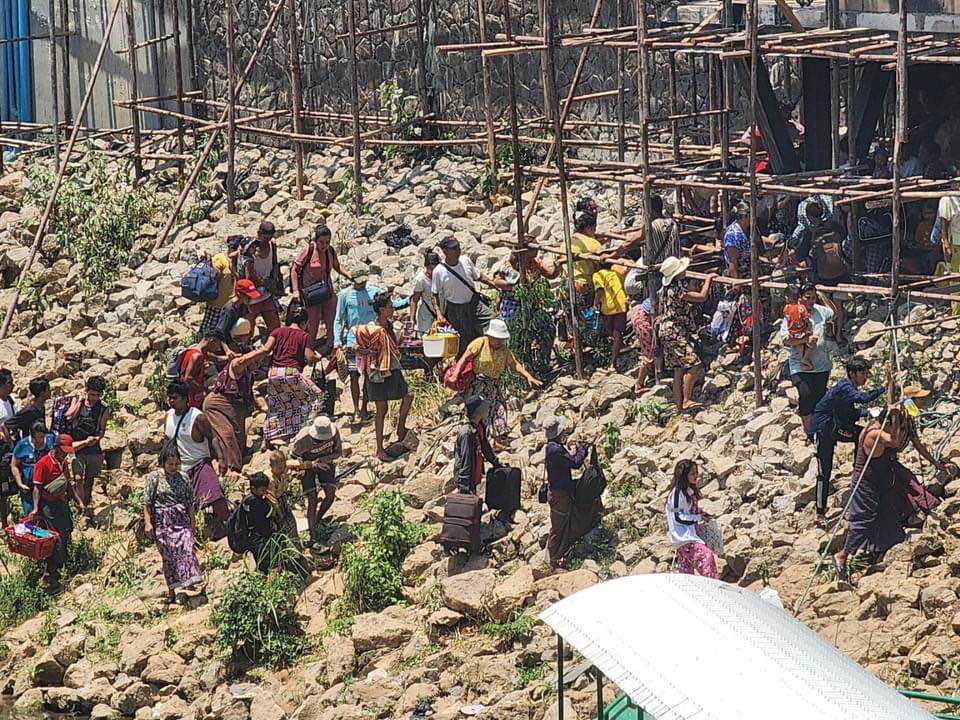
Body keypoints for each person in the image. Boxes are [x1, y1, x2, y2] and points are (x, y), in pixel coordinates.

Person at [834, 403, 941, 578]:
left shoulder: (880, 427)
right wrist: (895, 418)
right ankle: (843, 554)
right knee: (863, 519)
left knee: (886, 514)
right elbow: (894, 441)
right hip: (866, 483)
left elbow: (912, 443)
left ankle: (883, 549)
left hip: (880, 481)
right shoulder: (873, 433)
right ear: (887, 423)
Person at [809, 358, 888, 521]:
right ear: (852, 374)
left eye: (866, 373)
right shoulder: (845, 387)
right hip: (823, 430)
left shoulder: (848, 389)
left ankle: (860, 469)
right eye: (862, 373)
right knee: (825, 470)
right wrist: (883, 388)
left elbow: (851, 414)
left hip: (836, 426)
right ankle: (820, 512)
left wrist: (870, 412)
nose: (865, 377)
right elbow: (863, 398)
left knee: (863, 435)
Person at [447, 319, 541, 444]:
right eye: (497, 339)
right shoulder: (479, 343)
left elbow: (514, 365)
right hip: (478, 384)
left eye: (502, 339)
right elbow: (464, 359)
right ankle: (481, 440)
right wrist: (456, 374)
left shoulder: (504, 350)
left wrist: (528, 376)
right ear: (490, 336)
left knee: (499, 409)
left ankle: (496, 440)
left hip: (494, 385)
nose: (500, 342)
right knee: (481, 413)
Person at [356, 292, 413, 462]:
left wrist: (405, 332)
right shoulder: (370, 328)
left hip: (392, 369)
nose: (392, 308)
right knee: (382, 409)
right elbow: (356, 347)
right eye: (389, 306)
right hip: (377, 372)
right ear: (381, 310)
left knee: (408, 395)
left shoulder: (389, 325)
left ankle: (400, 428)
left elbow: (395, 344)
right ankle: (380, 449)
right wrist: (366, 351)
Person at [143, 445, 203, 605]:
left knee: (187, 548)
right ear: (163, 463)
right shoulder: (154, 478)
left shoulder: (183, 477)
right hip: (162, 522)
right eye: (170, 464)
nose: (174, 467)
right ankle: (172, 590)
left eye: (177, 464)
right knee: (168, 556)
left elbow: (190, 502)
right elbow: (147, 503)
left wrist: (193, 523)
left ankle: (189, 582)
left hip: (181, 519)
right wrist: (148, 523)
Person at [256, 303, 324, 444]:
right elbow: (310, 358)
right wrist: (318, 357)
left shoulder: (277, 331)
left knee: (277, 403)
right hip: (291, 372)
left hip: (273, 373)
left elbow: (267, 348)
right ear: (304, 322)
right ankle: (303, 427)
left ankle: (270, 435)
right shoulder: (304, 336)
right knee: (316, 396)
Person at [657, 256, 716, 413]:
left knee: (678, 368)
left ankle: (679, 406)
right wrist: (708, 281)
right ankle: (687, 399)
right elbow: (701, 297)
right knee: (694, 364)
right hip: (674, 331)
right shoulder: (677, 290)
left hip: (667, 331)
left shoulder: (665, 290)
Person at [203, 318, 261, 474]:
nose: (257, 366)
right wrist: (266, 348)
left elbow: (247, 391)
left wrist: (261, 407)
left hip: (235, 405)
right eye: (255, 362)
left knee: (239, 439)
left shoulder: (248, 373)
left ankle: (233, 461)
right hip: (218, 403)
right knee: (227, 435)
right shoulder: (238, 364)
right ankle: (232, 469)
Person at [165, 382, 230, 523]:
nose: (171, 401)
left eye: (174, 398)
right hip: (180, 469)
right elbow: (167, 441)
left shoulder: (197, 417)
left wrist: (221, 459)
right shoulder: (168, 416)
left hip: (199, 464)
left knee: (215, 496)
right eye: (169, 398)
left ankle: (229, 525)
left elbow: (212, 437)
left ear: (184, 399)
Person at [780, 283, 836, 435]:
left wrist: (823, 297)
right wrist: (805, 341)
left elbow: (833, 313)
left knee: (819, 397)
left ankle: (820, 429)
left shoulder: (821, 311)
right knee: (805, 394)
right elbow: (786, 340)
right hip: (799, 364)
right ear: (800, 298)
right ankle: (808, 430)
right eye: (808, 297)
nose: (811, 301)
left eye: (813, 297)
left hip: (821, 364)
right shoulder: (792, 312)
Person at [32, 434, 85, 592]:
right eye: (63, 451)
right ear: (55, 447)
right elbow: (37, 487)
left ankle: (60, 564)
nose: (65, 454)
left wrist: (78, 501)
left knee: (67, 528)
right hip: (48, 505)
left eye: (67, 452)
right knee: (56, 538)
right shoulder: (43, 463)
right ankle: (51, 573)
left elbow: (68, 484)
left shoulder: (63, 463)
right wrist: (35, 508)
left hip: (61, 502)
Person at [544, 416, 594, 571]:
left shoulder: (553, 447)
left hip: (560, 491)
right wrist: (582, 450)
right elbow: (575, 463)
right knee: (558, 527)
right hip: (560, 495)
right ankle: (552, 561)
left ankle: (559, 554)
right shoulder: (555, 450)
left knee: (564, 522)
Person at [291, 223, 351, 352]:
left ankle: (331, 344)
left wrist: (349, 275)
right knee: (312, 322)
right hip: (310, 293)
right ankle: (309, 348)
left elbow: (337, 266)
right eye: (321, 242)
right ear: (315, 240)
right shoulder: (308, 251)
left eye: (327, 242)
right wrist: (296, 291)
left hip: (326, 290)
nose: (324, 245)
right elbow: (294, 270)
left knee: (332, 319)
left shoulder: (330, 251)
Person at [431, 236, 496, 355]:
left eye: (458, 247)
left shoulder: (465, 260)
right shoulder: (439, 271)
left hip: (474, 303)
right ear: (445, 251)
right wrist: (439, 314)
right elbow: (434, 294)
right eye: (454, 248)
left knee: (493, 321)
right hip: (456, 309)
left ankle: (492, 353)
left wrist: (494, 284)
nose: (458, 251)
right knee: (465, 339)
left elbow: (478, 276)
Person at [290, 415, 343, 551]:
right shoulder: (303, 439)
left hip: (324, 463)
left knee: (330, 495)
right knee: (312, 500)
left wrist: (324, 459)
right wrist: (309, 466)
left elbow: (338, 453)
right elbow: (293, 459)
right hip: (307, 467)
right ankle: (313, 537)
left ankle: (316, 520)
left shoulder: (334, 432)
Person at [334, 269, 379, 424]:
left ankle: (365, 407)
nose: (362, 283)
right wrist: (337, 341)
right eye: (359, 281)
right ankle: (356, 410)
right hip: (353, 341)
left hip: (371, 339)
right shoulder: (344, 295)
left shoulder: (373, 292)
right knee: (354, 376)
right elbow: (338, 319)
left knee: (369, 375)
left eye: (364, 280)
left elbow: (384, 307)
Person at [665, 459, 719, 579]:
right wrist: (697, 517)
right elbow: (677, 517)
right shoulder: (677, 494)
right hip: (684, 538)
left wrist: (702, 515)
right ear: (684, 475)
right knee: (706, 557)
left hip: (688, 537)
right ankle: (713, 589)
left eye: (696, 473)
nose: (696, 476)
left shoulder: (687, 492)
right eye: (692, 473)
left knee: (687, 576)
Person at [65, 376, 110, 513]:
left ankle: (85, 503)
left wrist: (97, 438)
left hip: (93, 447)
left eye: (97, 395)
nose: (94, 398)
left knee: (89, 479)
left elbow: (102, 429)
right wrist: (80, 401)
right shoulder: (78, 400)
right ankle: (80, 505)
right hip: (77, 445)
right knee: (78, 477)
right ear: (86, 390)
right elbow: (68, 416)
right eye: (92, 394)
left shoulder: (103, 408)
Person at [234, 221, 283, 334]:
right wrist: (263, 282)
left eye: (270, 238)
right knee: (247, 331)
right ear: (259, 234)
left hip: (267, 294)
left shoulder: (272, 245)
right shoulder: (249, 250)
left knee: (275, 329)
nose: (267, 241)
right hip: (251, 296)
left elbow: (274, 263)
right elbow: (248, 276)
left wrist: (273, 280)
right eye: (265, 238)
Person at [491, 248, 559, 327]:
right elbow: (497, 281)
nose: (536, 252)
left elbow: (550, 275)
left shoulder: (535, 262)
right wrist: (513, 286)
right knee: (514, 328)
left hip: (533, 303)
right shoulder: (510, 264)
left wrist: (557, 267)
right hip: (512, 303)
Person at [453, 395, 500, 494]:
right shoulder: (467, 433)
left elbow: (485, 447)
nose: (487, 408)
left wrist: (496, 463)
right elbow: (466, 459)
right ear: (478, 411)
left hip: (473, 477)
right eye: (484, 406)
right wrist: (464, 486)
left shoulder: (479, 426)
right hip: (466, 480)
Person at [11, 421, 53, 517]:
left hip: (46, 486)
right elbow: (14, 465)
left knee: (48, 514)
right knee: (30, 514)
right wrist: (20, 483)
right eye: (37, 438)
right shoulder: (22, 445)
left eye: (42, 437)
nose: (40, 441)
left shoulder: (50, 440)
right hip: (28, 487)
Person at [238, 472, 277, 574]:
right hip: (260, 533)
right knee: (264, 556)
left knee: (258, 555)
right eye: (263, 490)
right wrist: (272, 505)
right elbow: (268, 513)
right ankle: (265, 573)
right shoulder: (256, 501)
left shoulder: (247, 499)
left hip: (250, 534)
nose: (265, 492)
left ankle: (262, 572)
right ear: (253, 488)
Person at [592, 262, 628, 369]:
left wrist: (594, 304)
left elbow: (600, 290)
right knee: (617, 333)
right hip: (621, 305)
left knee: (612, 332)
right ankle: (615, 355)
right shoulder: (615, 273)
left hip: (609, 308)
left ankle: (613, 361)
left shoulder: (597, 275)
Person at [215, 279, 265, 349]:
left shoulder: (243, 305)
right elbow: (220, 332)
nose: (251, 299)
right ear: (239, 294)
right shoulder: (229, 309)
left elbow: (249, 319)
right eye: (248, 296)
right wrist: (228, 350)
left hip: (238, 339)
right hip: (226, 342)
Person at [265, 449, 299, 544]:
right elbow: (272, 499)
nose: (283, 470)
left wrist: (312, 464)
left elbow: (296, 463)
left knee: (291, 523)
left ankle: (296, 546)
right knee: (279, 526)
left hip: (281, 498)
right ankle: (283, 549)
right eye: (280, 468)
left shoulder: (283, 467)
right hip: (271, 505)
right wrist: (280, 514)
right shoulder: (269, 479)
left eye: (284, 466)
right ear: (271, 466)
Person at [198, 252, 235, 339]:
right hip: (217, 303)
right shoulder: (220, 259)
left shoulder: (240, 260)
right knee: (210, 332)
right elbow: (213, 276)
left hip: (230, 305)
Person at [4, 377, 49, 442]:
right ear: (42, 393)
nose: (50, 392)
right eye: (48, 389)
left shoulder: (41, 408)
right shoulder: (29, 410)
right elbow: (7, 424)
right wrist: (10, 442)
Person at [628, 297, 657, 391]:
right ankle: (639, 383)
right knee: (649, 354)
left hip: (639, 313)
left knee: (649, 350)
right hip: (642, 318)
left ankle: (647, 376)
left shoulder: (663, 290)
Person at [938, 193, 960, 315]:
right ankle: (957, 315)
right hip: (956, 244)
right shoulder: (947, 199)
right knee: (956, 280)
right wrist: (945, 243)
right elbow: (943, 225)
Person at [410, 252, 440, 337]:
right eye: (431, 269)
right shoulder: (421, 280)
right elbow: (414, 300)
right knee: (426, 339)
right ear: (426, 267)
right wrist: (412, 320)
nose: (433, 272)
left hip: (442, 312)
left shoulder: (441, 274)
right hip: (426, 313)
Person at [783, 301, 814, 371]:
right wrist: (808, 325)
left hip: (792, 331)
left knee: (799, 344)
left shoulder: (786, 307)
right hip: (801, 330)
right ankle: (805, 359)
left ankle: (802, 360)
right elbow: (806, 318)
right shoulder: (801, 307)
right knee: (811, 341)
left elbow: (787, 317)